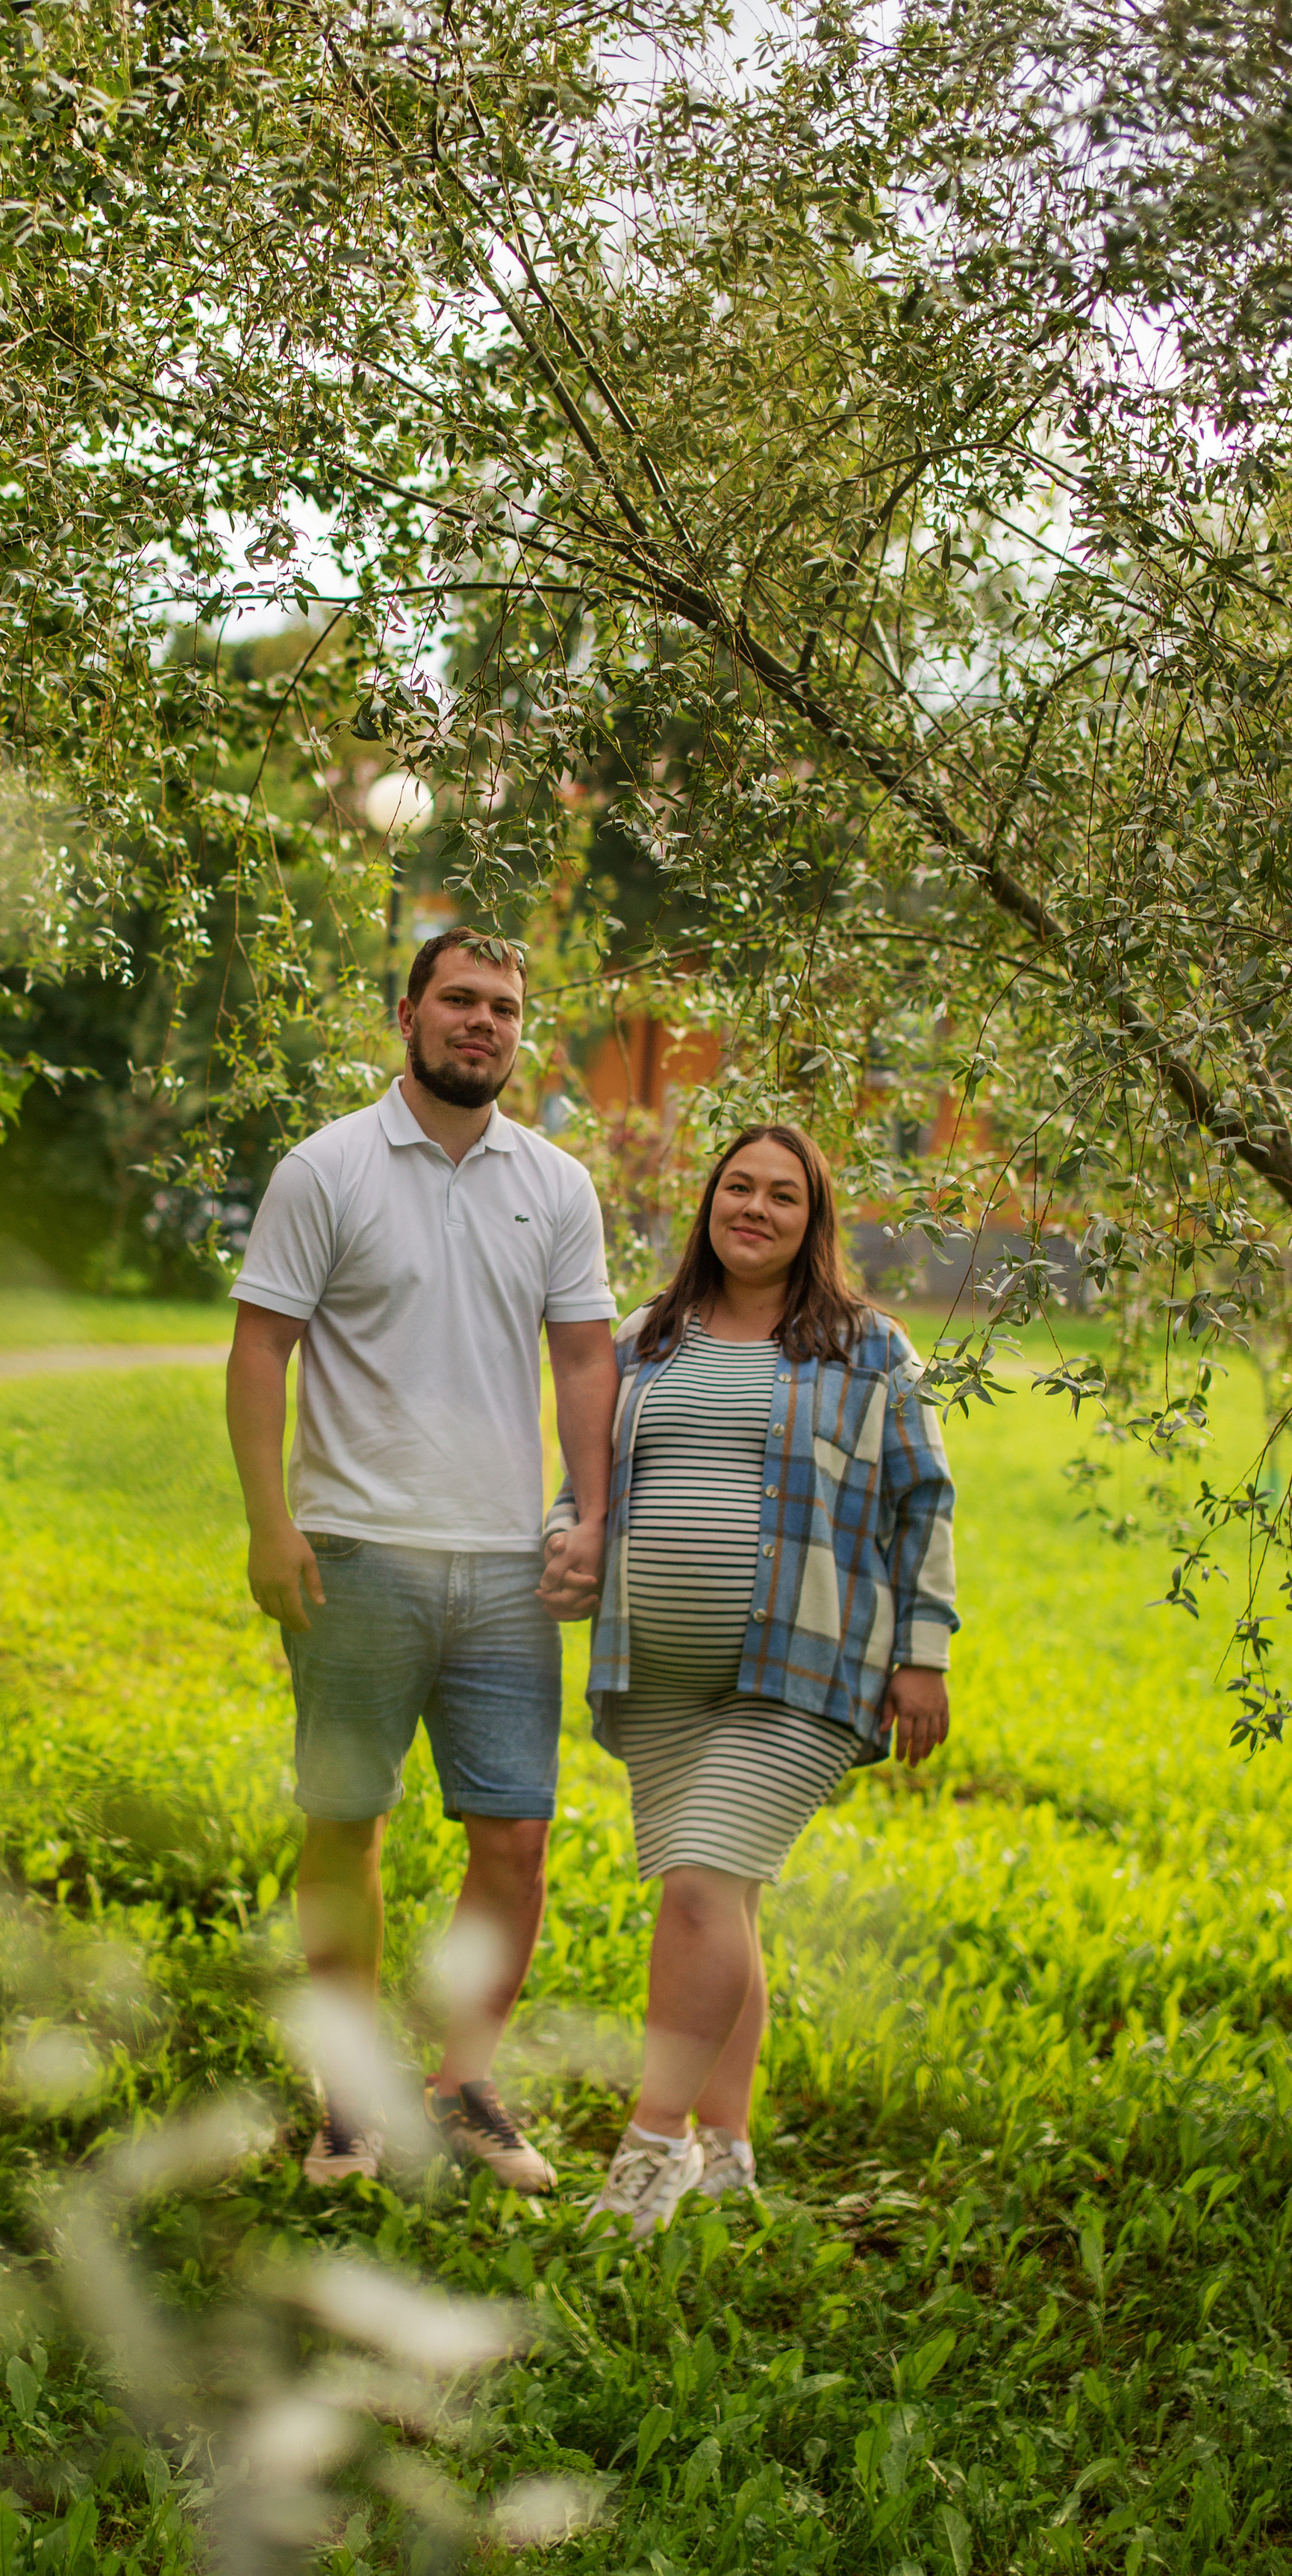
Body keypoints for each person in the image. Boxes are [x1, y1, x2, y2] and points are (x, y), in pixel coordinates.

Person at [226, 926, 620, 2189]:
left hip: (508, 1566)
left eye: (504, 1007)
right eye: (460, 1000)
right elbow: (259, 1353)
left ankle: (462, 2085)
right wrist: (269, 1524)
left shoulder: (556, 1183)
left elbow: (583, 1364)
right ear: (408, 1014)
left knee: (514, 1839)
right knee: (346, 1823)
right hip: (355, 1558)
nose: (483, 1024)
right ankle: (349, 2096)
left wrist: (592, 1518)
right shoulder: (326, 1169)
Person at [540, 1122, 957, 2238]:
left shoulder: (869, 1347)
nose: (756, 1209)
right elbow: (589, 1479)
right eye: (739, 1187)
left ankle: (651, 2149)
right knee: (723, 1901)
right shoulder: (647, 1335)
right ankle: (726, 2152)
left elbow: (926, 1502)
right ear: (710, 1202)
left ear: (812, 1220)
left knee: (696, 1890)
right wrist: (569, 1542)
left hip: (805, 1666)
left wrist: (924, 1654)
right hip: (659, 1672)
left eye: (783, 1195)